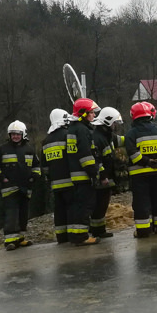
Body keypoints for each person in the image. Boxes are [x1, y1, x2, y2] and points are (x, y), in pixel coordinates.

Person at [0, 120, 41, 250]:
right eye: (13, 134)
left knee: (23, 214)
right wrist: (2, 178)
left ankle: (20, 238)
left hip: (25, 188)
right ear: (9, 135)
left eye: (18, 134)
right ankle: (10, 240)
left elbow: (36, 165)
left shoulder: (29, 149)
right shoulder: (2, 149)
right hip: (9, 189)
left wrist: (34, 176)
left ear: (23, 134)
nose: (15, 136)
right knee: (11, 214)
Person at [125, 102, 157, 238]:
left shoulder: (131, 133)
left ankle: (143, 231)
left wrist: (147, 162)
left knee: (141, 202)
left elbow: (132, 153)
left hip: (139, 175)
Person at [64, 98, 101, 246]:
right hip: (84, 174)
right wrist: (93, 173)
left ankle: (75, 235)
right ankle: (82, 237)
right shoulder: (82, 130)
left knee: (77, 206)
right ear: (83, 114)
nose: (93, 115)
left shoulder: (72, 129)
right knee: (85, 206)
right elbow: (86, 155)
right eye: (91, 112)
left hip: (75, 174)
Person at [90, 106, 123, 238]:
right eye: (114, 123)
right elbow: (97, 160)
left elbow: (120, 140)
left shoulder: (106, 136)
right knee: (99, 205)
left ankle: (100, 230)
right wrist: (103, 176)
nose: (115, 125)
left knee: (103, 205)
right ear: (108, 122)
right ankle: (97, 231)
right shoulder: (98, 138)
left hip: (106, 177)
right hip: (101, 178)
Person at [42, 108, 74, 244]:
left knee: (59, 210)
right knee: (72, 208)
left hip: (55, 183)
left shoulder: (46, 141)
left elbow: (44, 167)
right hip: (71, 181)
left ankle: (61, 236)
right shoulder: (68, 135)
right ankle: (74, 235)